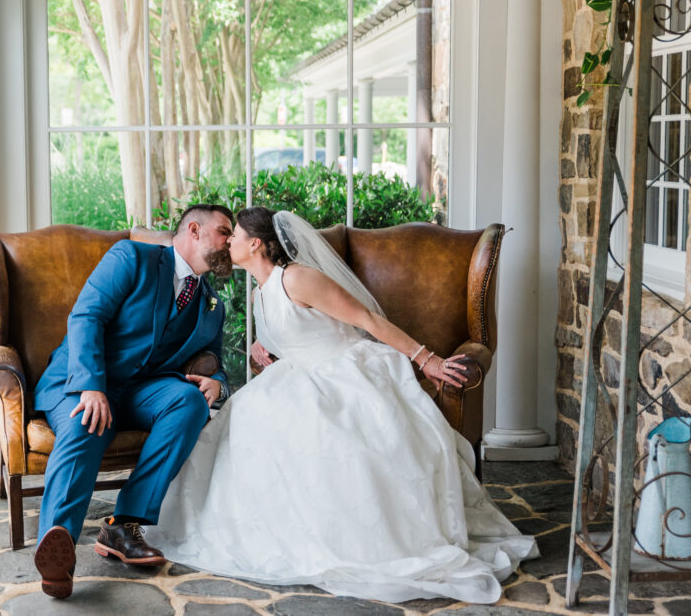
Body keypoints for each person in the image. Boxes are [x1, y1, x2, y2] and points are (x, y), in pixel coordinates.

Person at [146, 207, 539, 604]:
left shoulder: (298, 277)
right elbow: (291, 338)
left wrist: (427, 360)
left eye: (234, 235)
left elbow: (367, 319)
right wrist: (263, 349)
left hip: (344, 371)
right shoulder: (257, 294)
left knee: (329, 433)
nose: (227, 242)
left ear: (256, 244)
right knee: (244, 425)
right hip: (296, 376)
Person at [31, 204, 234, 599]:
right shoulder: (132, 258)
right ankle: (59, 552)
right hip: (82, 381)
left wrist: (217, 386)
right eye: (224, 232)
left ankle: (123, 524)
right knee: (86, 423)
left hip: (144, 391)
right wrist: (91, 386)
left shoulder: (212, 304)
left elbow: (216, 361)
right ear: (194, 229)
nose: (230, 242)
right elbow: (87, 317)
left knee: (190, 402)